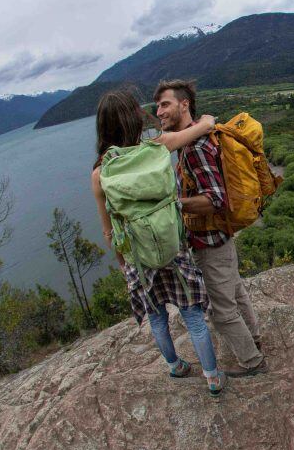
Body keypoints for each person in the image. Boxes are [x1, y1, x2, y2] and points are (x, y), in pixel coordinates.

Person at [91, 89, 228, 397]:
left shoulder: (100, 174)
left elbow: (108, 230)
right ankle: (213, 377)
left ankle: (176, 366)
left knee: (157, 318)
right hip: (173, 250)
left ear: (103, 127)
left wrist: (123, 265)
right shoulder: (159, 146)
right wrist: (206, 119)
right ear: (136, 120)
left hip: (139, 259)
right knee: (193, 316)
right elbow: (204, 126)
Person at [154, 79, 267, 377]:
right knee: (237, 291)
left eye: (165, 104)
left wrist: (175, 205)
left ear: (184, 104)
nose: (159, 112)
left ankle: (252, 362)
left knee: (221, 312)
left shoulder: (194, 149)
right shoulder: (200, 138)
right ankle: (254, 339)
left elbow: (215, 199)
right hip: (221, 238)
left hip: (211, 242)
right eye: (157, 106)